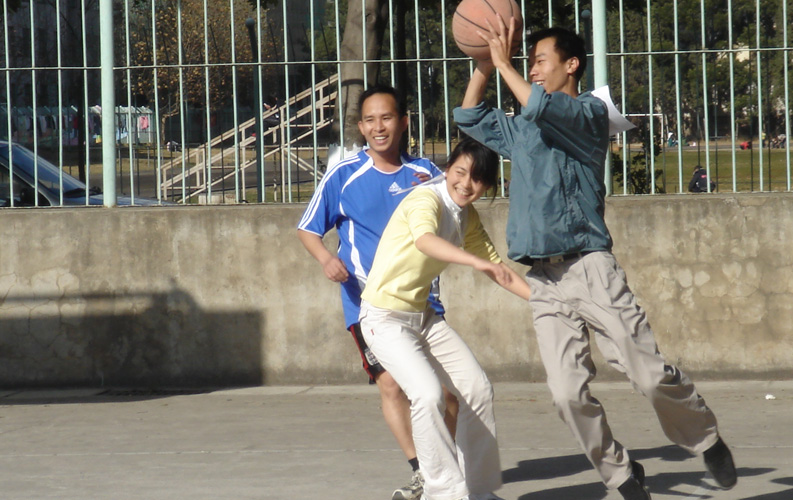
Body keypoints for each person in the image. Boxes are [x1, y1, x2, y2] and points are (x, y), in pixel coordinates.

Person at [453, 20, 737, 500]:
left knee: (647, 374)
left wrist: (503, 65)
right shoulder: (524, 127)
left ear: (572, 65)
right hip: (542, 280)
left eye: (540, 61)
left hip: (589, 268)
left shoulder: (588, 115)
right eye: (531, 63)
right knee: (566, 394)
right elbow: (469, 116)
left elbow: (543, 104)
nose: (534, 69)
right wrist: (484, 63)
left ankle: (704, 437)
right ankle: (621, 473)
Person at [297, 84, 457, 500]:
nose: (378, 126)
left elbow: (455, 217)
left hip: (422, 301)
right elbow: (308, 229)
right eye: (369, 120)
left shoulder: (425, 174)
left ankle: (445, 466)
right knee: (392, 387)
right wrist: (326, 259)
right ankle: (423, 470)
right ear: (361, 128)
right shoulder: (344, 175)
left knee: (448, 399)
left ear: (403, 122)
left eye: (386, 117)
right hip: (367, 302)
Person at [360, 137, 532, 500]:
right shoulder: (426, 199)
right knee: (426, 395)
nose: (466, 185)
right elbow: (424, 241)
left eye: (478, 180)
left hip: (420, 317)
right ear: (447, 168)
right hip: (383, 318)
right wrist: (471, 260)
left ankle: (478, 490)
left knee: (478, 388)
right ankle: (445, 494)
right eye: (460, 172)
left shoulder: (466, 215)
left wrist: (548, 303)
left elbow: (498, 268)